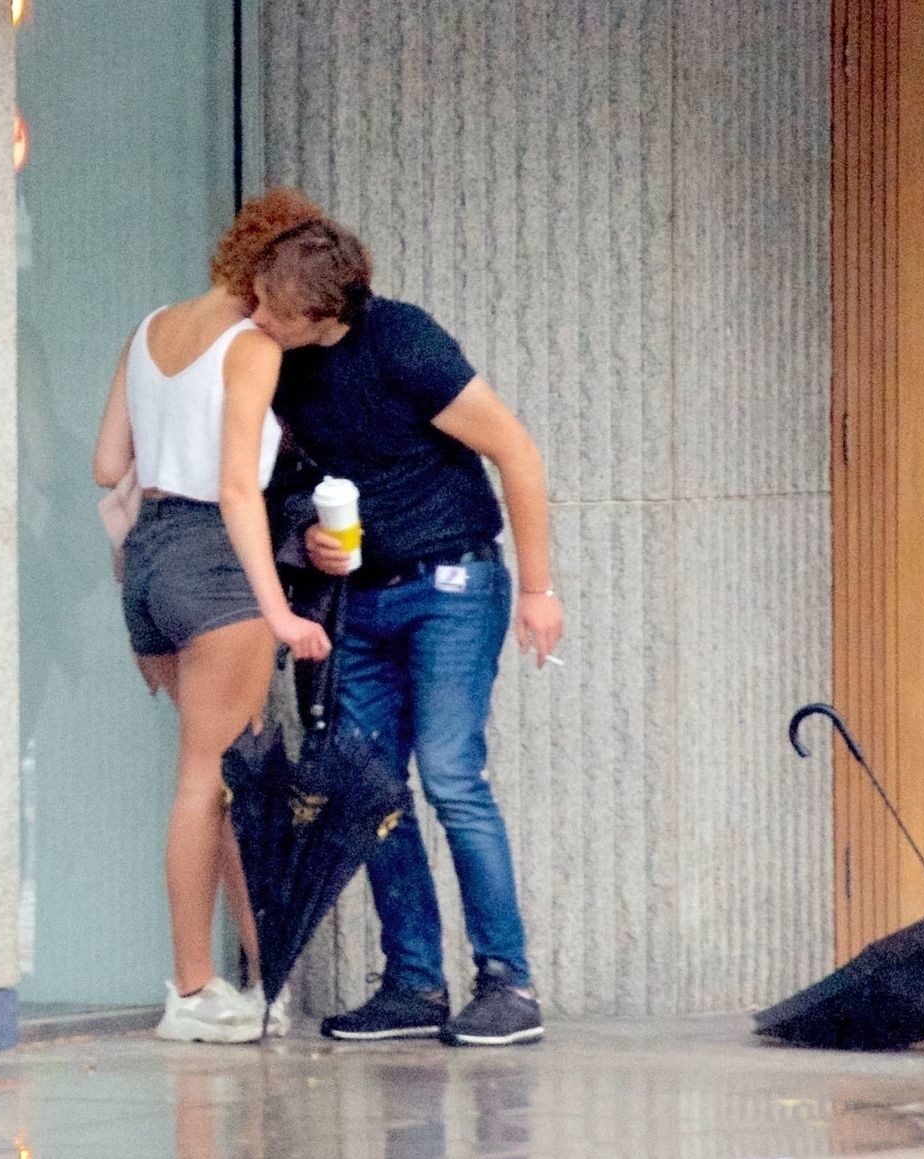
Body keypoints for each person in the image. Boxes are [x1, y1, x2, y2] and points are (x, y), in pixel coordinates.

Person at [247, 217, 564, 1047]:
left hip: (450, 583)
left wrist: (538, 590)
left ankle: (509, 980)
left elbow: (517, 452)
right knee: (372, 787)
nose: (258, 317)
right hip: (360, 597)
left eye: (274, 307)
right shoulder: (278, 364)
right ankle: (413, 981)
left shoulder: (405, 341)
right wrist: (304, 535)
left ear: (324, 311)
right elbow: (284, 482)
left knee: (452, 775)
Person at [91, 189, 334, 1043]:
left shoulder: (150, 328)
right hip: (216, 561)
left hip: (150, 560)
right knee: (209, 781)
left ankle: (267, 977)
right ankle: (193, 990)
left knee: (237, 776)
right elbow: (237, 486)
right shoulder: (252, 348)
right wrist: (278, 609)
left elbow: (107, 463)